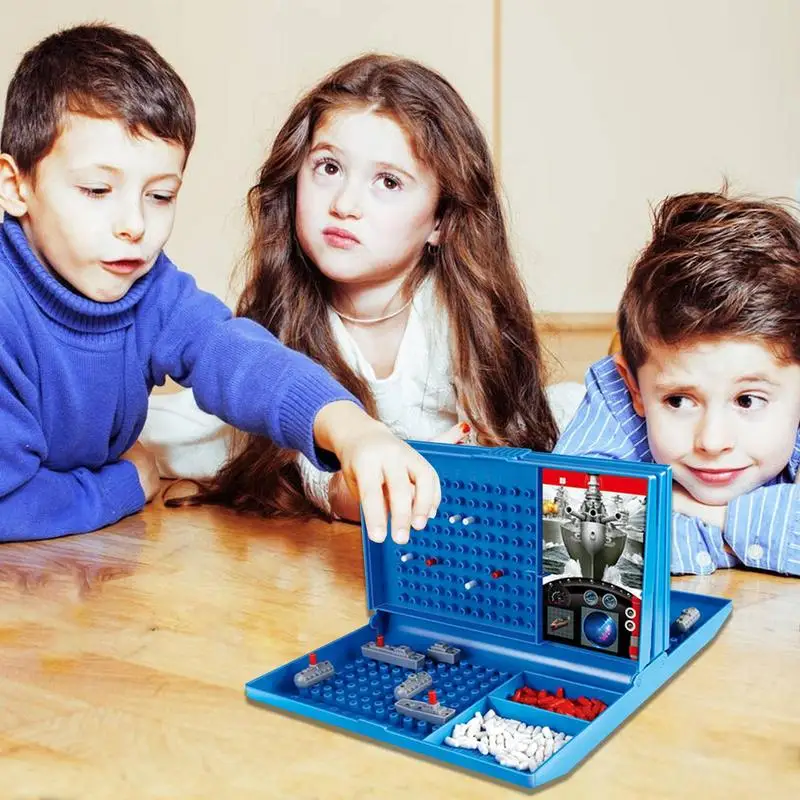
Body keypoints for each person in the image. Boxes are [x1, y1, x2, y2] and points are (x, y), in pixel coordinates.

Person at [0, 25, 439, 545]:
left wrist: (354, 429)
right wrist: (124, 483)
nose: (134, 224)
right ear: (15, 186)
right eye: (97, 189)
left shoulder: (148, 287)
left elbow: (236, 354)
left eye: (160, 196)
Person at [142, 53, 580, 523]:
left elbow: (509, 434)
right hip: (252, 437)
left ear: (442, 221)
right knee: (144, 433)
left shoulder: (464, 318)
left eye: (388, 182)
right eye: (329, 168)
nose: (345, 204)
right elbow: (317, 476)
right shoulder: (281, 330)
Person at [556, 190, 800, 576]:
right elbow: (577, 537)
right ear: (634, 388)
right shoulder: (617, 394)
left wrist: (700, 511)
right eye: (679, 402)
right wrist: (761, 532)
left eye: (748, 401)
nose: (713, 441)